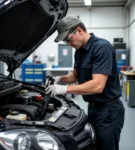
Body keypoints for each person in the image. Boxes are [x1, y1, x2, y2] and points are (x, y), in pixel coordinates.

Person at [45, 16, 125, 150]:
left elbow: (98, 85)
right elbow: (75, 75)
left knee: (106, 147)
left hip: (109, 111)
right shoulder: (79, 52)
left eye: (69, 39)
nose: (69, 44)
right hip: (93, 108)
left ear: (79, 30)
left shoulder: (102, 48)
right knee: (94, 145)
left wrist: (65, 89)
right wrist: (60, 79)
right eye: (66, 42)